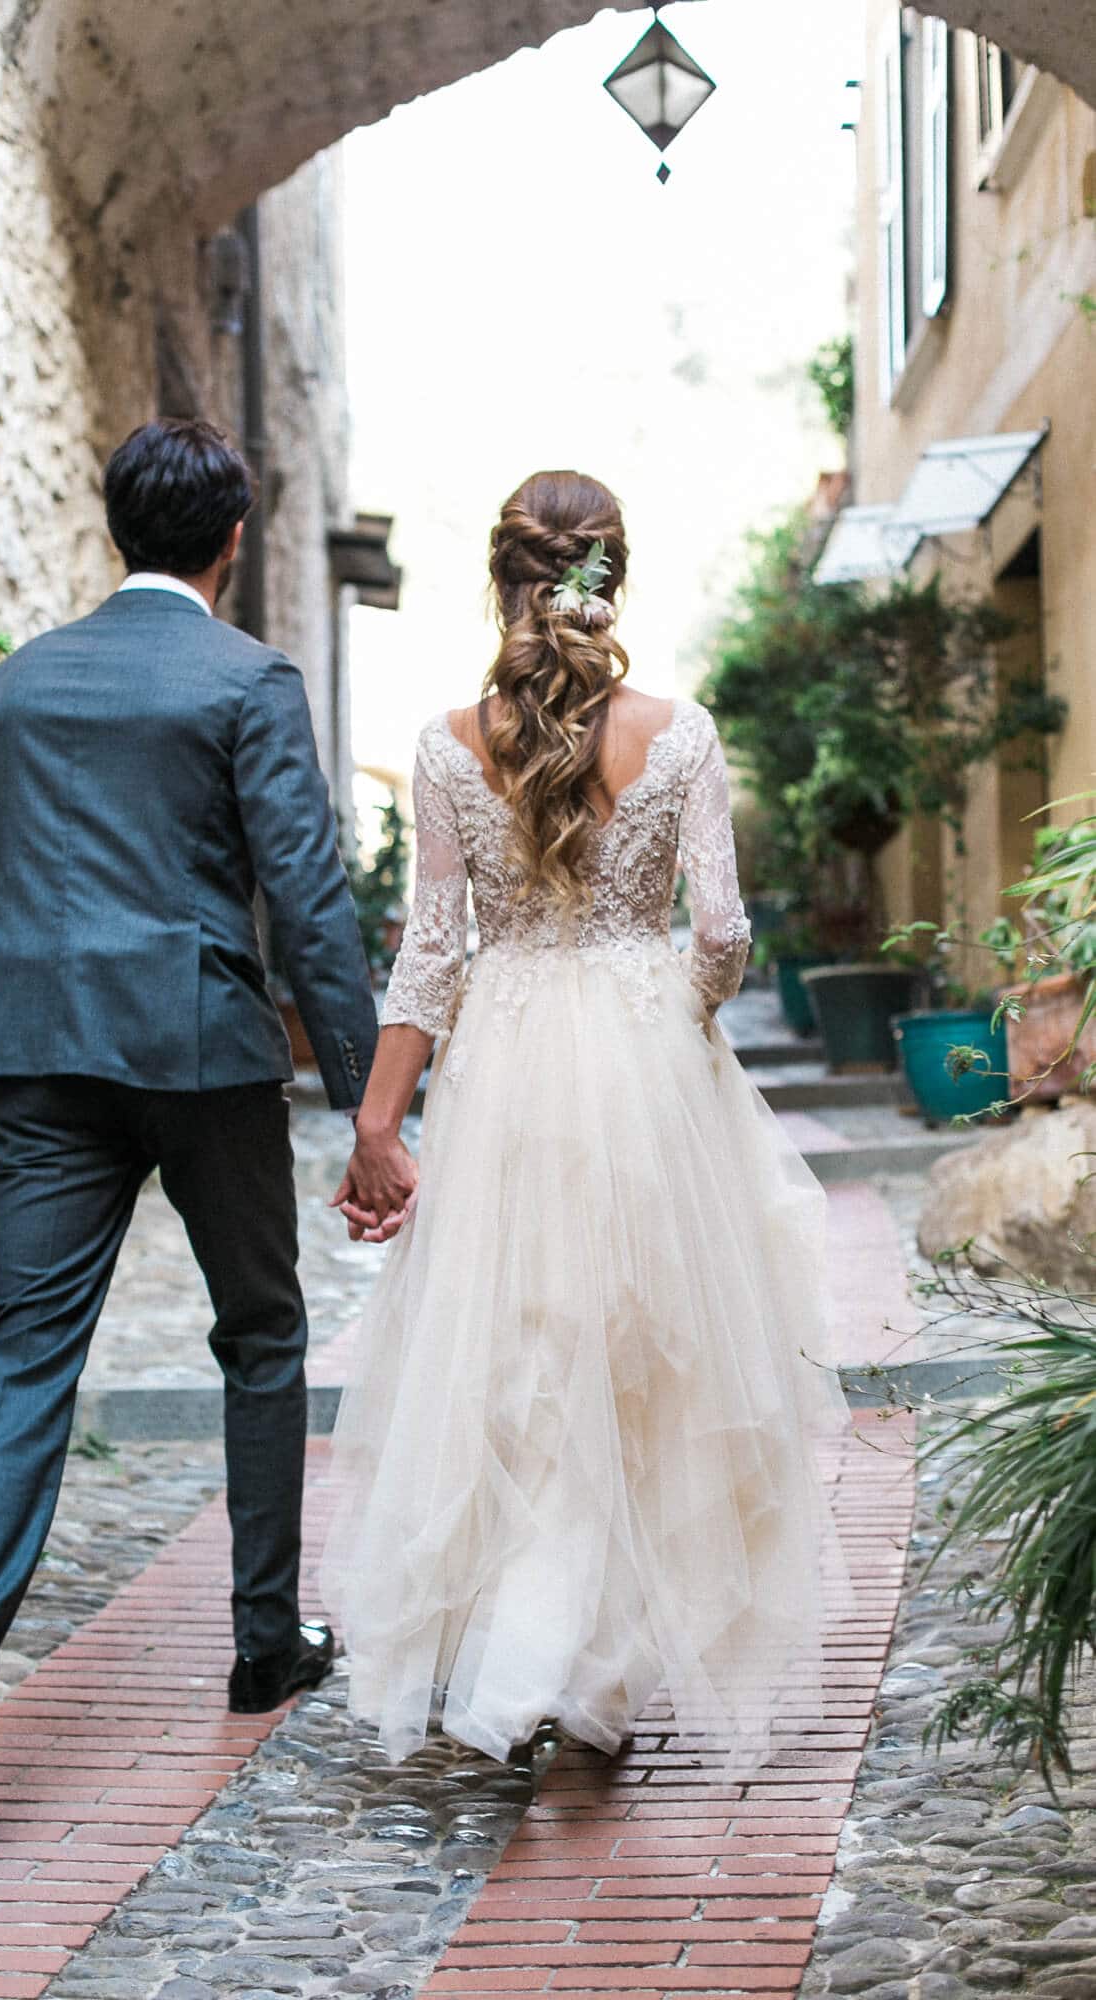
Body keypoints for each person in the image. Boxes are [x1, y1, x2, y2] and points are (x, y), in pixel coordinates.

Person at [321, 470, 852, 1775]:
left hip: (505, 1064)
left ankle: (529, 1653)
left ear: (501, 581)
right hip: (643, 1054)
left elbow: (429, 955)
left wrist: (378, 1124)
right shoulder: (680, 734)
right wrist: (678, 1013)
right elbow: (720, 930)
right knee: (643, 1353)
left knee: (519, 1351)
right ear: (614, 578)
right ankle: (594, 1668)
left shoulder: (448, 746)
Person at [0, 418, 378, 1845]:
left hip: (40, 1059)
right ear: (232, 537)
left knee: (25, 1360)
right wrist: (369, 1099)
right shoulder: (247, 680)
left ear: (118, 530)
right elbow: (308, 903)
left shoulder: (14, 687)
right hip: (203, 1048)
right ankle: (264, 1641)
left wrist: (53, 951)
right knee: (261, 1333)